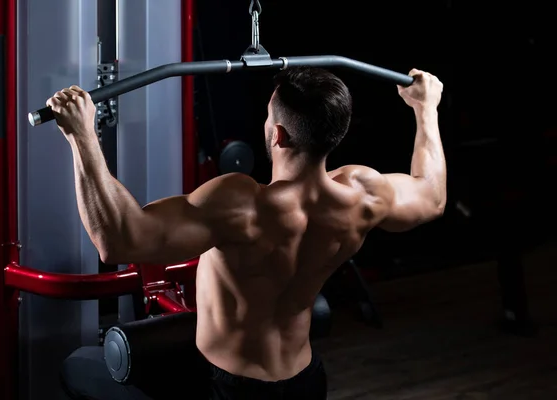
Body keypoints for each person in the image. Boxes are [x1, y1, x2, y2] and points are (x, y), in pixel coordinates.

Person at [47, 66, 446, 399]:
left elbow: (118, 239)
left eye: (269, 118)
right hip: (305, 381)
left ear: (278, 135)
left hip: (231, 387)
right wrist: (426, 109)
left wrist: (82, 137)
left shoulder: (241, 205)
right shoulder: (363, 195)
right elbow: (431, 196)